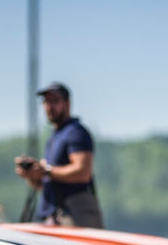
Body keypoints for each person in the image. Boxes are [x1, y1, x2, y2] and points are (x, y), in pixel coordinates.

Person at [14, 82, 104, 228]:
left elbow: (82, 172)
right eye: (46, 102)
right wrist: (33, 175)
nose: (49, 107)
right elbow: (49, 184)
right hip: (54, 217)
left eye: (54, 101)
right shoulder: (55, 136)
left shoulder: (75, 132)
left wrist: (46, 171)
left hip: (73, 217)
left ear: (67, 103)